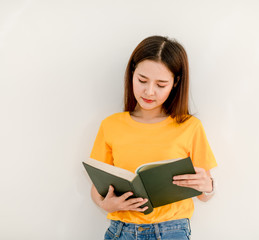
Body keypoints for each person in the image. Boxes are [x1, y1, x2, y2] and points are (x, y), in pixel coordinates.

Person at [89, 35, 217, 240]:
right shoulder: (111, 125)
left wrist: (208, 186)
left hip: (171, 232)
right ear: (132, 74)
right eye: (142, 80)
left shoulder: (189, 126)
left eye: (161, 84)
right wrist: (105, 204)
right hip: (121, 231)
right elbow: (98, 189)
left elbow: (204, 194)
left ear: (175, 83)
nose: (149, 91)